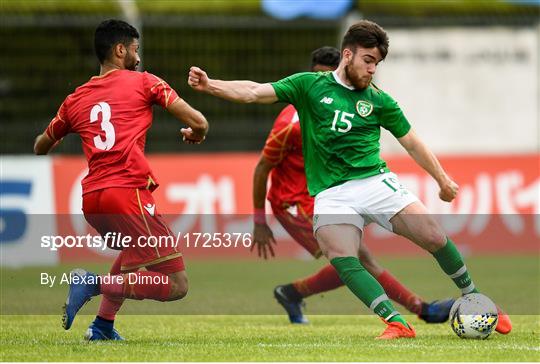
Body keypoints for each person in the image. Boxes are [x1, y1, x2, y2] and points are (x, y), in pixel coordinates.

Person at [188, 20, 512, 339]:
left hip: (375, 182)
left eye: (377, 64)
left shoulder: (379, 100)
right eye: (368, 61)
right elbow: (254, 92)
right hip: (331, 194)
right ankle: (397, 323)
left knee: (434, 236)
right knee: (343, 257)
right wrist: (210, 85)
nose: (372, 70)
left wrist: (442, 180)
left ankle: (479, 299)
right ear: (347, 55)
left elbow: (411, 140)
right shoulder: (309, 85)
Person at [252, 46, 454, 325]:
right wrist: (259, 220)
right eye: (319, 79)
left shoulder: (351, 107)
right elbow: (262, 166)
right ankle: (421, 309)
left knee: (354, 260)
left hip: (329, 194)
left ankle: (291, 292)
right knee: (354, 260)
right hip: (293, 203)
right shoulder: (291, 122)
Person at [34, 19, 208, 341]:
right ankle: (92, 283)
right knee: (176, 284)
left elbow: (40, 146)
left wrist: (65, 132)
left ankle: (102, 326)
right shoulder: (144, 83)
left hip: (93, 201)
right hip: (127, 194)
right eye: (135, 50)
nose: (138, 57)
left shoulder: (75, 99)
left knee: (130, 255)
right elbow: (199, 121)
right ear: (120, 50)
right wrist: (196, 134)